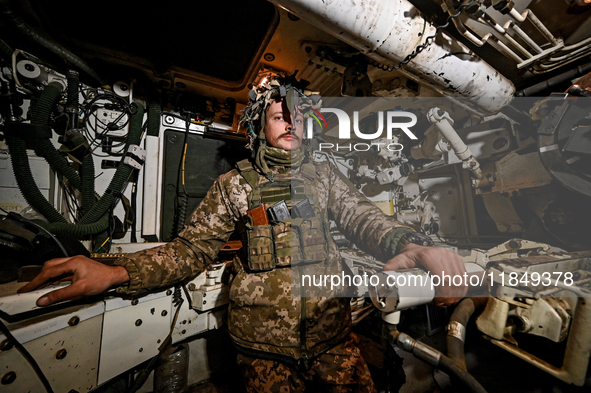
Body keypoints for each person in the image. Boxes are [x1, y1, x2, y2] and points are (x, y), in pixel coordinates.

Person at [19, 76, 467, 392]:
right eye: (278, 116)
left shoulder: (324, 175)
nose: (290, 122)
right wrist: (116, 271)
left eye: (295, 115)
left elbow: (364, 218)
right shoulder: (235, 183)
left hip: (333, 337)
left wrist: (410, 244)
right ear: (259, 128)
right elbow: (189, 252)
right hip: (262, 349)